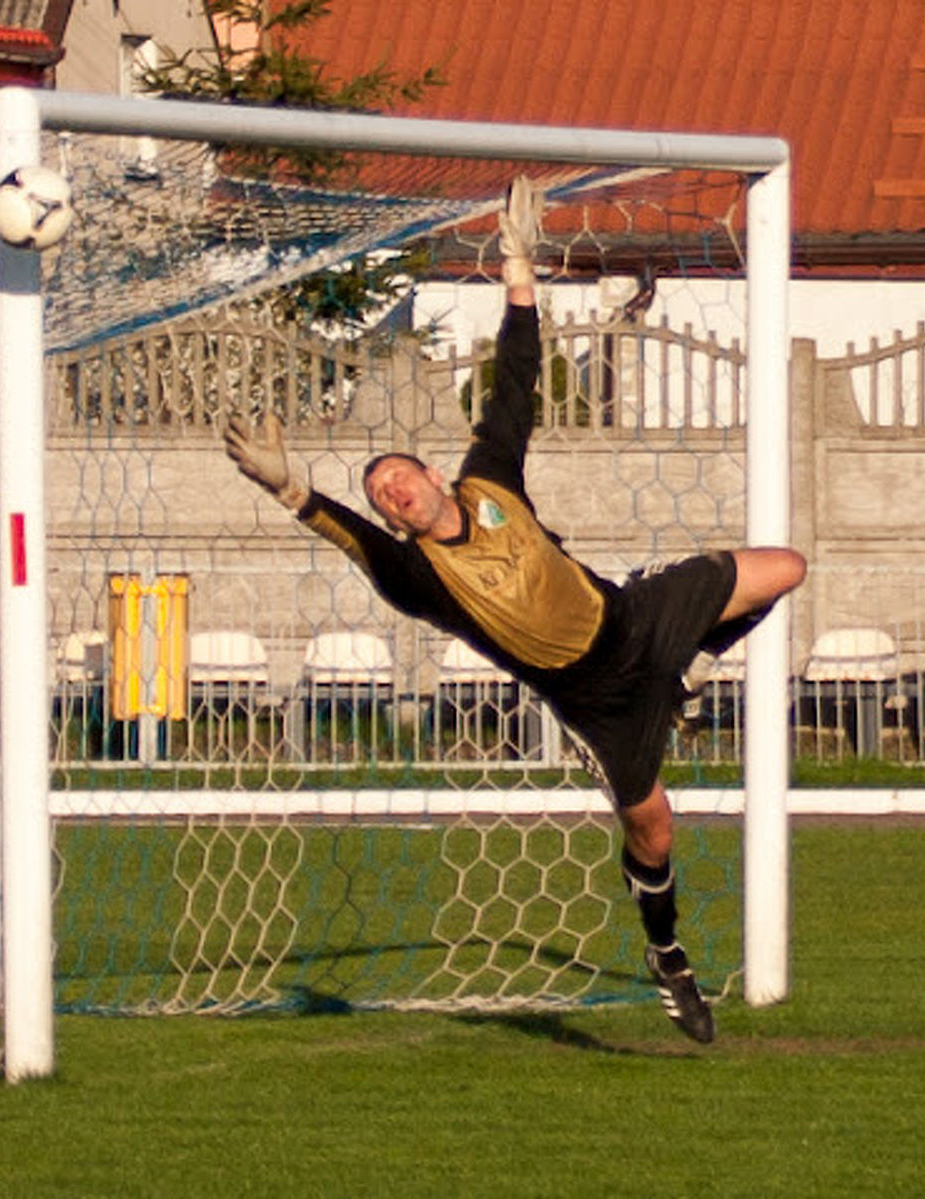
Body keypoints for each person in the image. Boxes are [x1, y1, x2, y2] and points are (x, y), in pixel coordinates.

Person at [224, 178, 805, 1043]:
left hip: (634, 614)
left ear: (429, 473)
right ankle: (667, 955)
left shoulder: (490, 477)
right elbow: (346, 537)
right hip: (593, 697)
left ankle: (690, 656)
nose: (393, 494)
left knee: (784, 567)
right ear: (393, 517)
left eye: (398, 476)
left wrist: (520, 268)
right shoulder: (415, 576)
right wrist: (288, 487)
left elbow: (517, 385)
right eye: (382, 497)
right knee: (652, 829)